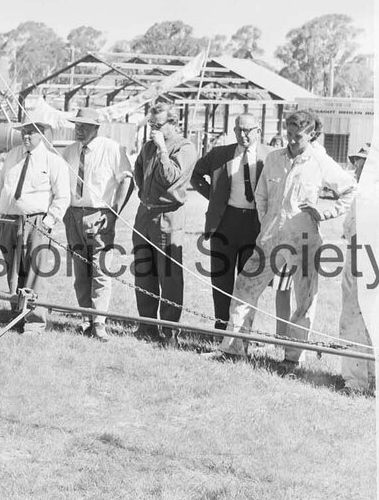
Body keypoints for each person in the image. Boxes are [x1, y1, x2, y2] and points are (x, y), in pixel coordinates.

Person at [214, 111, 358, 371]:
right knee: (245, 286)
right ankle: (234, 349)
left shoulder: (319, 161)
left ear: (311, 134)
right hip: (269, 238)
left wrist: (324, 212)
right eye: (289, 135)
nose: (291, 141)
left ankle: (293, 359)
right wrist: (267, 222)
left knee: (304, 299)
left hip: (304, 241)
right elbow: (262, 196)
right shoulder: (273, 158)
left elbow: (350, 189)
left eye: (298, 136)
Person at [190, 113, 272, 330]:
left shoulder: (270, 156)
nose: (243, 135)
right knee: (221, 279)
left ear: (258, 131)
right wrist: (215, 198)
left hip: (255, 224)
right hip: (225, 223)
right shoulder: (220, 154)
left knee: (248, 280)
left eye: (247, 130)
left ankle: (242, 331)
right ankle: (221, 328)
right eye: (238, 130)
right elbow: (195, 175)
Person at [60, 107, 134, 342]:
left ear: (96, 127)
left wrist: (114, 212)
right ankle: (85, 319)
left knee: (100, 269)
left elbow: (127, 180)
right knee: (81, 270)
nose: (78, 130)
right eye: (76, 125)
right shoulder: (69, 151)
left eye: (83, 126)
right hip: (73, 215)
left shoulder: (112, 149)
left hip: (100, 215)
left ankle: (99, 322)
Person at [131, 102, 198, 347]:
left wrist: (162, 149)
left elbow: (171, 177)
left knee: (169, 277)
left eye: (158, 125)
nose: (153, 130)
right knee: (144, 273)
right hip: (145, 216)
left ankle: (169, 333)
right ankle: (146, 325)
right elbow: (138, 170)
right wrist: (145, 195)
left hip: (168, 218)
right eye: (151, 125)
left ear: (173, 123)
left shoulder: (185, 147)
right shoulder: (147, 147)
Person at [0, 121, 70, 333]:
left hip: (36, 222)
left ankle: (34, 321)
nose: (26, 136)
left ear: (43, 135)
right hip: (9, 220)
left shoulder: (53, 161)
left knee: (34, 271)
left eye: (32, 133)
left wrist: (48, 222)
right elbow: (2, 185)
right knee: (13, 270)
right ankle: (16, 315)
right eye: (24, 132)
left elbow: (62, 196)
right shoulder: (12, 155)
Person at [339, 144, 376, 393]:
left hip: (377, 263)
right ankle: (356, 380)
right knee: (352, 320)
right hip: (355, 261)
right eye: (357, 163)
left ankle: (366, 380)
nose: (358, 168)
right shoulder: (359, 194)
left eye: (364, 163)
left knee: (373, 322)